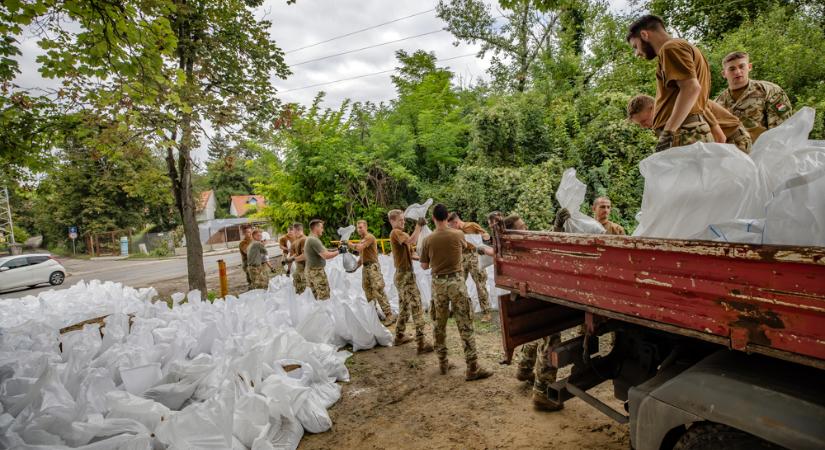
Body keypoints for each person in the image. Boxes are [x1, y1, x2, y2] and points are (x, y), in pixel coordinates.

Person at [420, 203, 493, 381]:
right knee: (464, 323)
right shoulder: (458, 234)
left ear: (433, 219)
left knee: (439, 324)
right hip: (456, 282)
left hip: (438, 284)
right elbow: (465, 248)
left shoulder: (427, 240)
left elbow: (424, 266)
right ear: (447, 217)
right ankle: (472, 367)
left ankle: (443, 363)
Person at [627, 15, 714, 151]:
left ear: (644, 35)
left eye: (635, 46)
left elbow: (691, 88)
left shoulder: (670, 48)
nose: (637, 53)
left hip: (685, 133)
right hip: (689, 131)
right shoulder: (684, 47)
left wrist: (668, 132)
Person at [628, 94, 752, 153]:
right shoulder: (660, 126)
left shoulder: (677, 104)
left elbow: (720, 137)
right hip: (721, 141)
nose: (644, 126)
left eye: (644, 121)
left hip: (735, 138)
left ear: (653, 107)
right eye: (640, 125)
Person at [715, 51, 793, 142]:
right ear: (724, 74)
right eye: (732, 69)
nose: (738, 72)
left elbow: (782, 127)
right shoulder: (718, 103)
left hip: (766, 152)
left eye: (741, 66)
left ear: (749, 67)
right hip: (733, 154)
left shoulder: (770, 91)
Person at [388, 210, 434, 353]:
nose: (403, 222)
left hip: (404, 274)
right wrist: (419, 226)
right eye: (400, 220)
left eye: (403, 220)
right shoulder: (396, 233)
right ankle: (421, 342)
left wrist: (425, 260)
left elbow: (412, 252)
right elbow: (411, 241)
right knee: (416, 305)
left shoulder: (402, 234)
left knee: (405, 306)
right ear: (392, 221)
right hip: (404, 275)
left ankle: (399, 335)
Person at [446, 212, 492, 321]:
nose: (450, 228)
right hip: (462, 257)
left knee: (480, 285)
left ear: (456, 222)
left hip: (475, 256)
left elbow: (486, 236)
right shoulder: (455, 232)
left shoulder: (471, 226)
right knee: (458, 282)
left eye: (451, 225)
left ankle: (486, 312)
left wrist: (481, 239)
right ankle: (455, 309)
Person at [351, 220, 394, 325]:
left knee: (378, 290)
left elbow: (359, 247)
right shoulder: (362, 240)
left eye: (361, 227)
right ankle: (374, 314)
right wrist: (354, 267)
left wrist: (348, 243)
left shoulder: (369, 237)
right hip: (366, 267)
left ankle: (389, 315)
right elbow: (361, 258)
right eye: (358, 228)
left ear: (366, 227)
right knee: (368, 291)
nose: (359, 229)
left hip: (373, 267)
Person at [295, 219, 339, 300]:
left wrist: (336, 249)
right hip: (316, 273)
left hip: (310, 271)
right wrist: (339, 251)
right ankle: (324, 312)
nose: (323, 229)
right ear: (316, 228)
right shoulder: (313, 240)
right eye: (321, 227)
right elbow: (326, 255)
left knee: (315, 298)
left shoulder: (310, 238)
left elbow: (325, 250)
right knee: (324, 297)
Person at [553, 197, 626, 235]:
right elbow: (556, 238)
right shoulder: (582, 225)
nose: (606, 210)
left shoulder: (617, 229)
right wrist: (558, 225)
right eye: (602, 207)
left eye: (608, 207)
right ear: (594, 208)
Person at [288, 223, 307, 294]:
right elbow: (297, 253)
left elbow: (305, 255)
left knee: (304, 291)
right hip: (299, 268)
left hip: (304, 269)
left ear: (297, 230)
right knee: (297, 289)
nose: (292, 232)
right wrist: (289, 259)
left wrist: (293, 259)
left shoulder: (304, 239)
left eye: (293, 230)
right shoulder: (297, 240)